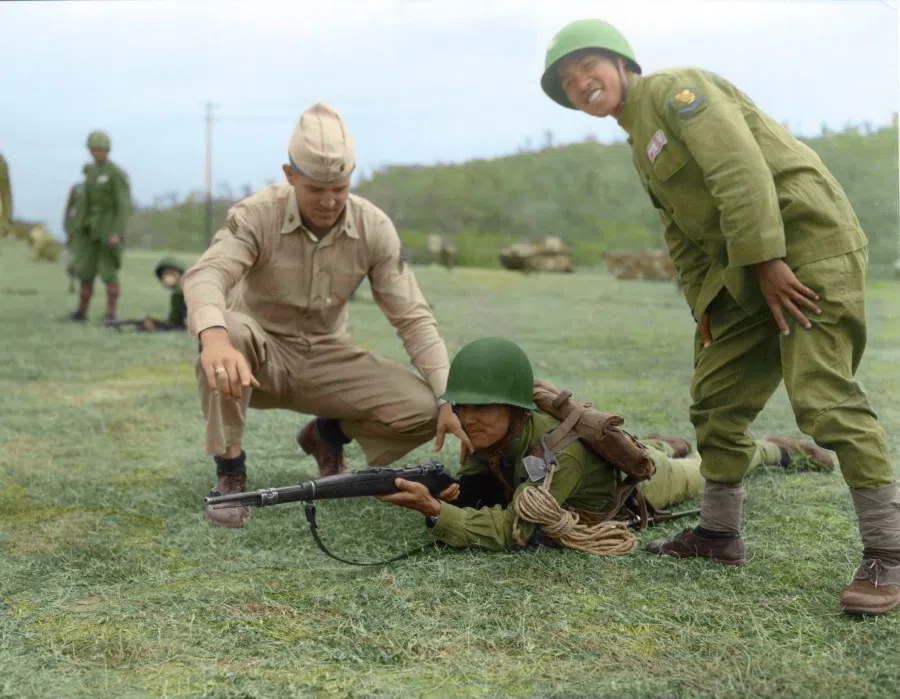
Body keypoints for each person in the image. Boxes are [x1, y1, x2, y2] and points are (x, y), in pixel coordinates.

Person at [537, 19, 900, 615]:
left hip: (804, 246)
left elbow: (739, 168)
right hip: (746, 270)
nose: (581, 83)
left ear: (621, 62)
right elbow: (682, 234)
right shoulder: (638, 139)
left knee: (822, 396)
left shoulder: (674, 90)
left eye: (588, 67)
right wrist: (702, 304)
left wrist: (770, 261)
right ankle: (718, 534)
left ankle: (887, 552)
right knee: (716, 400)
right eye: (568, 82)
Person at [182, 101, 469, 529]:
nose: (330, 200)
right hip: (256, 359)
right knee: (232, 330)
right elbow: (207, 275)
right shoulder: (256, 215)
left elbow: (412, 317)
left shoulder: (373, 227)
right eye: (316, 188)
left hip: (327, 357)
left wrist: (449, 397)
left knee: (424, 408)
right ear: (290, 174)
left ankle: (327, 435)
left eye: (340, 187)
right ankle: (230, 472)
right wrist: (214, 337)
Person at [378, 338, 832, 554]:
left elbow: (511, 531)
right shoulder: (494, 434)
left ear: (516, 409)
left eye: (484, 407)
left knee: (708, 467)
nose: (469, 418)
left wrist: (437, 512)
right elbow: (484, 480)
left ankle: (773, 448)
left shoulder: (554, 455)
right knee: (655, 449)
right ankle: (661, 443)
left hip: (638, 487)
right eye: (462, 406)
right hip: (595, 464)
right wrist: (461, 492)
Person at [71, 131, 132, 324]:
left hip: (108, 229)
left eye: (100, 150)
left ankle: (110, 314)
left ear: (107, 150)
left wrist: (116, 232)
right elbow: (85, 202)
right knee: (85, 270)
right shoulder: (90, 172)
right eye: (93, 150)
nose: (96, 153)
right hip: (89, 229)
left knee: (108, 271)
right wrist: (78, 227)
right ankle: (81, 311)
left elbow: (123, 206)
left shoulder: (116, 173)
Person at [63, 181, 86, 292]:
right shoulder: (77, 189)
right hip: (76, 229)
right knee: (74, 257)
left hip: (90, 229)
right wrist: (67, 225)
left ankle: (84, 285)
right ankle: (72, 282)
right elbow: (68, 208)